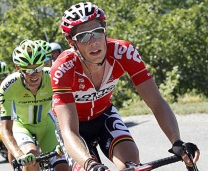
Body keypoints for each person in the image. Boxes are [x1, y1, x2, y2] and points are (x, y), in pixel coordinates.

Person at [50, 2, 200, 171]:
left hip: (104, 116)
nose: (93, 42)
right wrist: (90, 164)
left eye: (97, 32)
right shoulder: (63, 68)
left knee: (131, 163)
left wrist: (176, 141)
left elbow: (156, 102)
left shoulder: (123, 52)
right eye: (83, 36)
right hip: (75, 127)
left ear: (105, 30)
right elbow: (69, 131)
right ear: (71, 42)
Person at [0, 40, 69, 171]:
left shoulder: (53, 76)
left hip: (47, 126)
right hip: (23, 127)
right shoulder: (9, 85)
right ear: (18, 68)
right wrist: (19, 154)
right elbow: (5, 129)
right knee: (31, 159)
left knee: (64, 167)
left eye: (38, 68)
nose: (34, 74)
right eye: (28, 70)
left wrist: (66, 139)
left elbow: (68, 110)